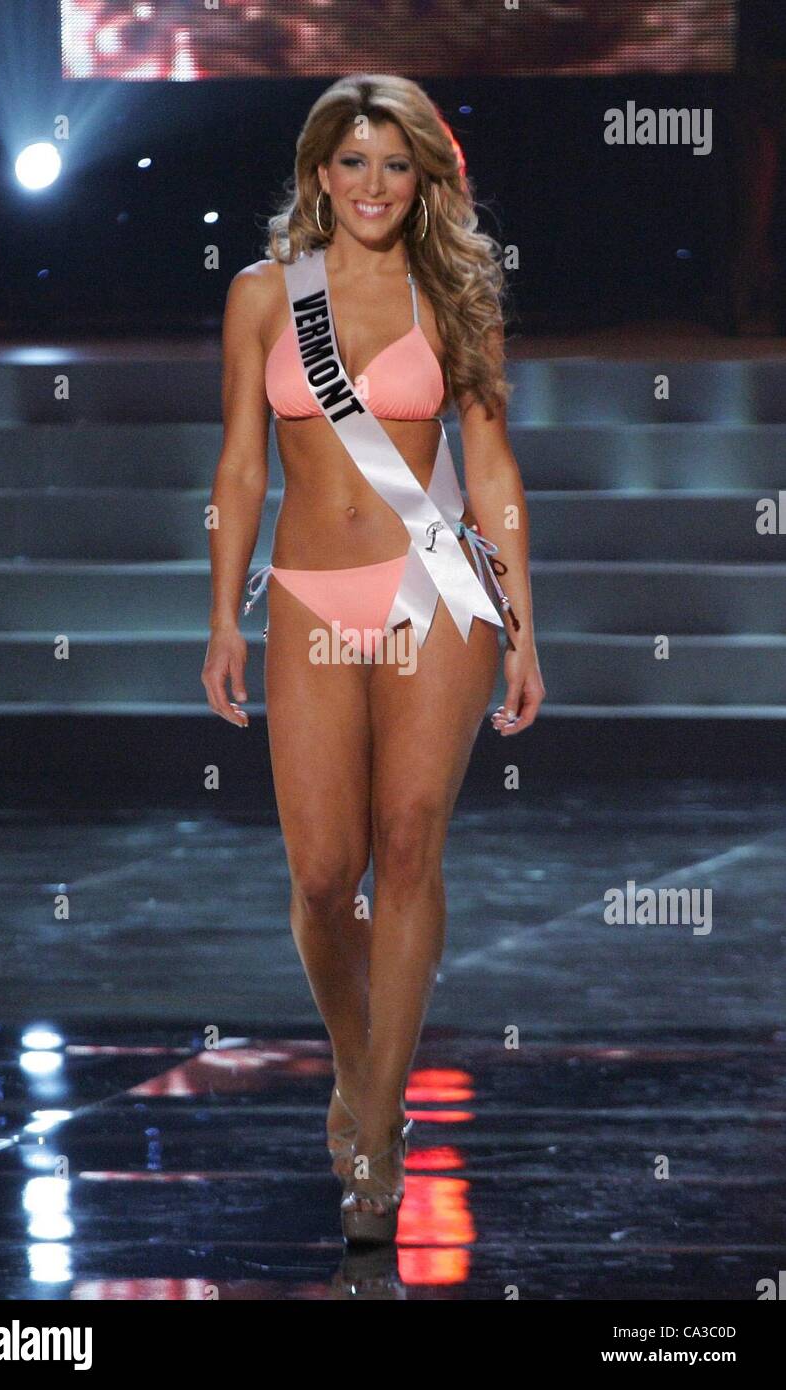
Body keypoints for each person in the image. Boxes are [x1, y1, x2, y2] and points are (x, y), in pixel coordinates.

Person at [202, 72, 545, 1244]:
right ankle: (357, 1070)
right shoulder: (263, 296)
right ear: (316, 173)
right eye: (350, 162)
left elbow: (490, 468)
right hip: (308, 595)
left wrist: (524, 627)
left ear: (423, 178)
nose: (371, 186)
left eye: (394, 164)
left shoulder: (453, 292)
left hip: (434, 590)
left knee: (406, 840)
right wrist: (219, 620)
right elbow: (242, 468)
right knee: (318, 873)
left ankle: (383, 1130)